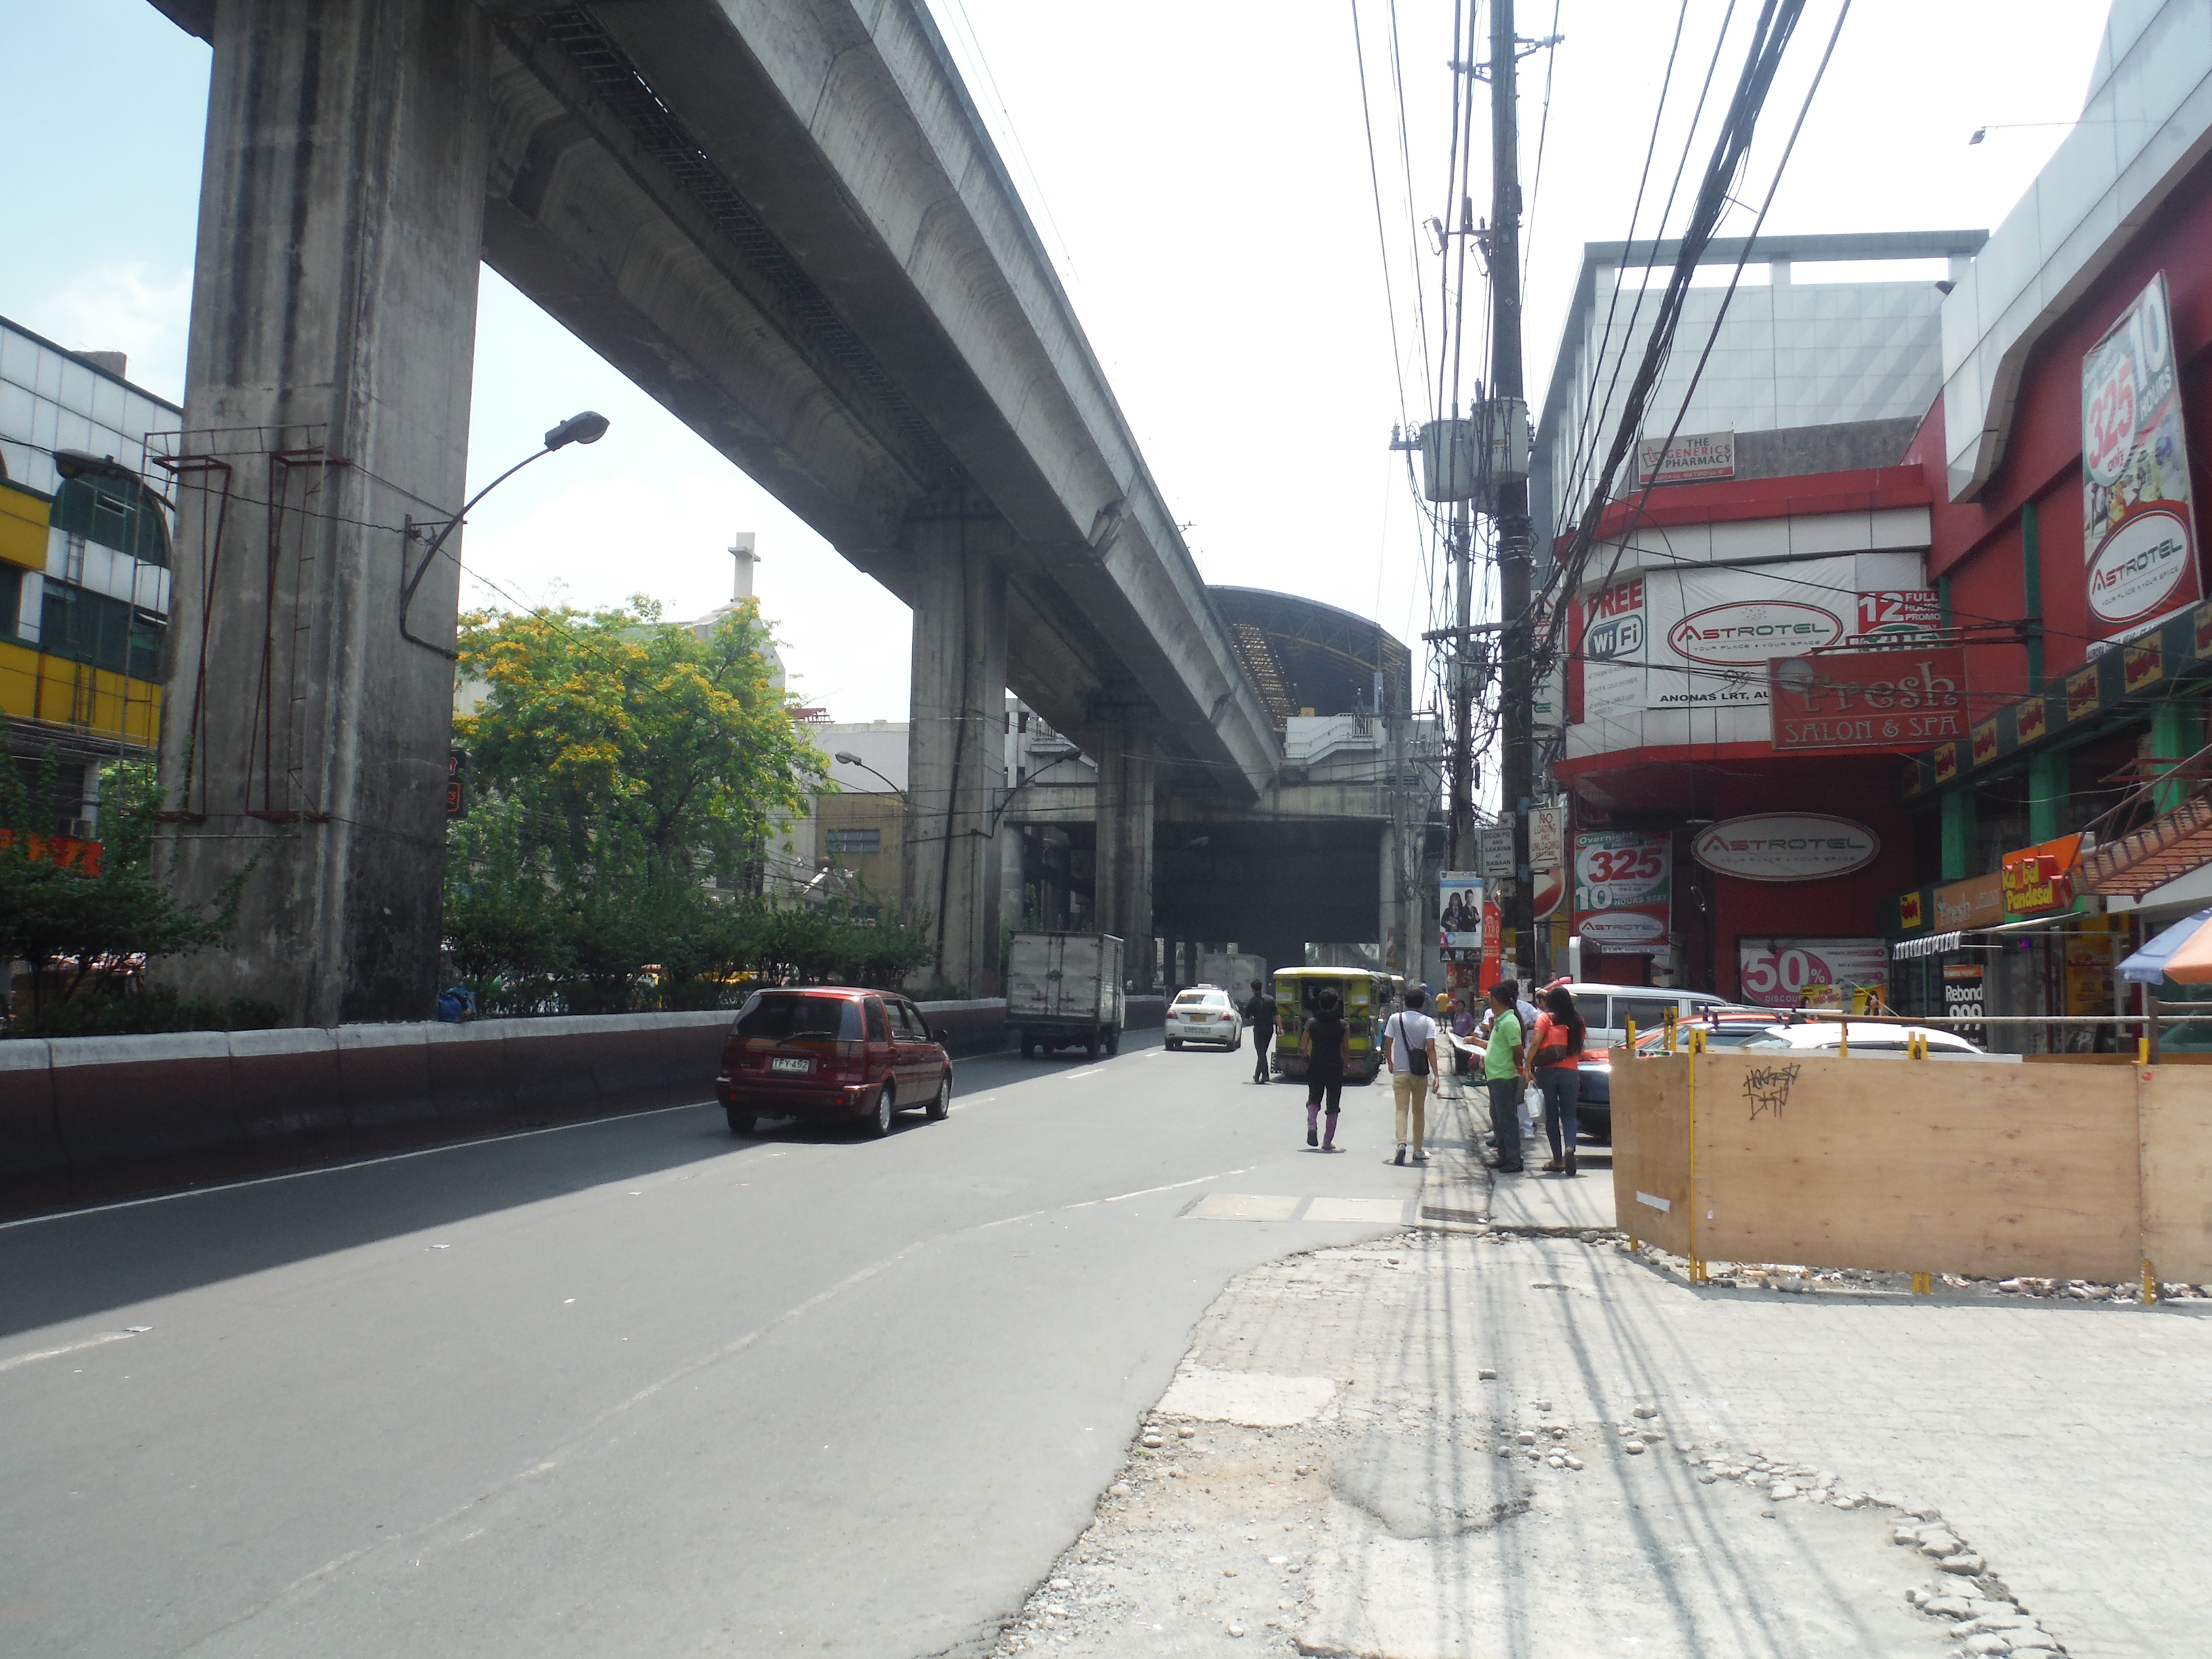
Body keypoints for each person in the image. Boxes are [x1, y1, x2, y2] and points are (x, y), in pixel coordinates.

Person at [1525, 984, 1586, 1176]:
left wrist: (1527, 1066)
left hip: (1547, 1072)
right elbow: (1578, 1048)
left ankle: (1558, 1160)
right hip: (1570, 1072)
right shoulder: (1579, 1022)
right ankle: (1570, 1148)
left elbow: (1536, 1041)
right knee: (1569, 1115)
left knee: (1552, 1116)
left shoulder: (1546, 1019)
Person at [1381, 986, 1439, 1166]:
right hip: (1420, 1073)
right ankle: (1418, 1150)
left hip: (1400, 1072)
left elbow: (1388, 1042)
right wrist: (1437, 1075)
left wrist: (1390, 1062)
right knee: (1419, 1111)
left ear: (1405, 1002)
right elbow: (1430, 1048)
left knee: (1401, 1110)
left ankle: (1401, 1143)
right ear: (1423, 1004)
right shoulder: (1428, 1022)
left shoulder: (1395, 1019)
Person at [1483, 982, 1525, 1172]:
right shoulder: (1500, 1020)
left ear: (1496, 1000)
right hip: (1495, 1076)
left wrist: (1516, 1064)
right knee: (1498, 1118)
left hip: (1505, 1076)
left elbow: (1518, 1051)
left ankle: (1514, 1160)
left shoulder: (1509, 1022)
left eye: (1491, 998)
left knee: (1507, 1119)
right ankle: (1503, 1155)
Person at [1301, 987, 1350, 1150]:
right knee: (1333, 1104)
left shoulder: (1312, 1023)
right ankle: (1327, 1141)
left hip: (1316, 1065)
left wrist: (1308, 1059)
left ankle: (1312, 1127)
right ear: (1336, 1005)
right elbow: (1346, 1048)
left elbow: (1303, 1046)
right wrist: (1347, 1063)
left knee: (1314, 1099)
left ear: (1320, 1004)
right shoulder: (1342, 1026)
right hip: (1335, 1066)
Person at [1245, 979, 1277, 1084]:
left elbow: (1247, 1018)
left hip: (1259, 1029)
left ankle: (1265, 1076)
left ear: (1253, 989)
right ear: (1261, 988)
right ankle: (1258, 1075)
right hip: (1269, 1030)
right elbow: (1276, 1015)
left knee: (1261, 1052)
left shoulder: (1252, 1001)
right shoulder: (1270, 999)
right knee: (1262, 1052)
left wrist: (1253, 1018)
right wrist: (1280, 1028)